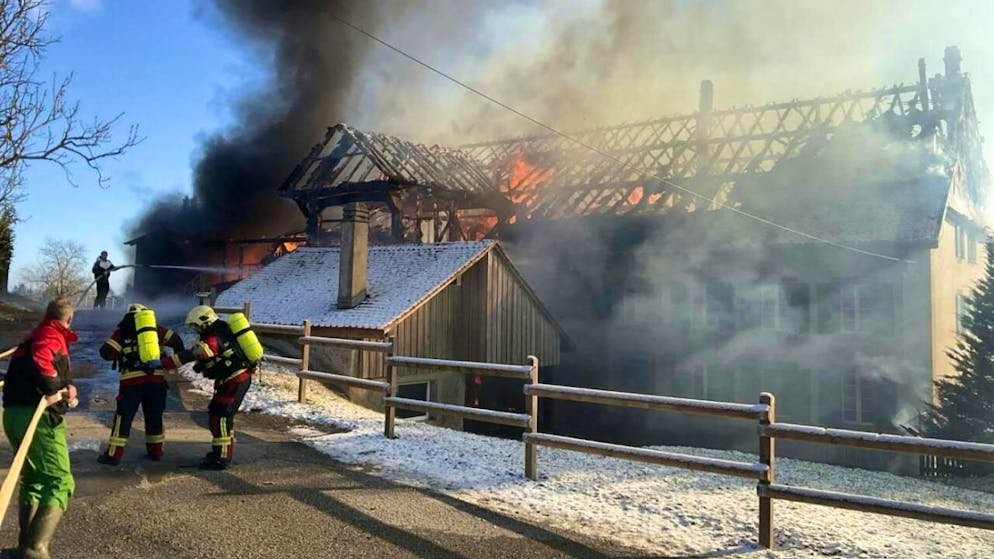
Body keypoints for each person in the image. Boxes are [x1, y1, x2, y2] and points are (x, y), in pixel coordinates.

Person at [2, 298, 79, 559]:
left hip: (14, 413)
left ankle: (25, 545)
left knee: (35, 480)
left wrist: (64, 386)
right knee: (59, 480)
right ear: (68, 319)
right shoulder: (51, 335)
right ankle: (36, 550)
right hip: (40, 418)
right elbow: (43, 358)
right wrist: (54, 387)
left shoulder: (35, 334)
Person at [163, 305, 254, 470]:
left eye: (196, 326)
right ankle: (220, 452)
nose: (196, 330)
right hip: (231, 381)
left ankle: (221, 458)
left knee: (220, 417)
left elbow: (197, 353)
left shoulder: (213, 337)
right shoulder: (221, 330)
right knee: (218, 415)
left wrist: (167, 363)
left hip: (234, 381)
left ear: (205, 322)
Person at [96, 304, 185, 465]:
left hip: (131, 382)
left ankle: (113, 455)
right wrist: (169, 360)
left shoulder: (122, 331)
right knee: (154, 416)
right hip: (156, 381)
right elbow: (177, 340)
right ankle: (156, 452)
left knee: (123, 417)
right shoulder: (156, 330)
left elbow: (106, 353)